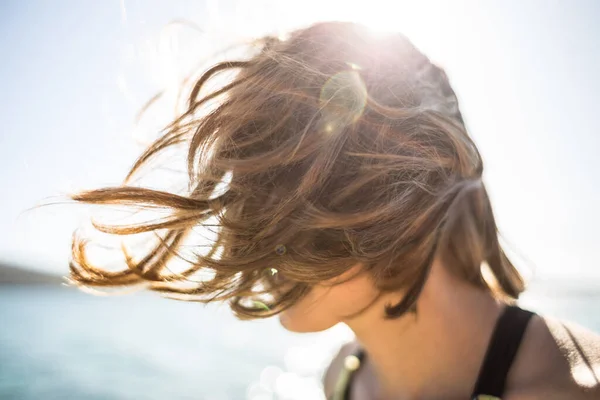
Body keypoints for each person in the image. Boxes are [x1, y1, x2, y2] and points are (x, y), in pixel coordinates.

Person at [68, 21, 599, 399]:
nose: (256, 233)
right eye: (249, 187)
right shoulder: (341, 381)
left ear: (409, 190)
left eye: (301, 188)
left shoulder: (573, 389)